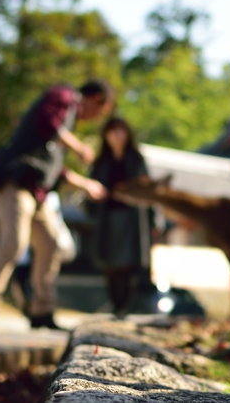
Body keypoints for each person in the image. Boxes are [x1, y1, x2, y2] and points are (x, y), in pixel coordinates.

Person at [0, 79, 112, 330]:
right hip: (15, 184)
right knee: (14, 243)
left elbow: (54, 169)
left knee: (51, 245)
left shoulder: (65, 127)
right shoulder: (64, 97)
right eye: (100, 111)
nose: (95, 118)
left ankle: (42, 311)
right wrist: (79, 147)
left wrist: (85, 184)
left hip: (38, 193)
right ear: (96, 99)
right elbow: (47, 123)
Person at [91, 117, 153, 316]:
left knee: (130, 266)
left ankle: (124, 308)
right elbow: (92, 192)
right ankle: (116, 305)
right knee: (111, 265)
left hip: (133, 220)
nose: (117, 136)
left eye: (121, 131)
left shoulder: (136, 160)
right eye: (113, 131)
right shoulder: (101, 162)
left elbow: (149, 191)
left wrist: (154, 221)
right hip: (108, 219)